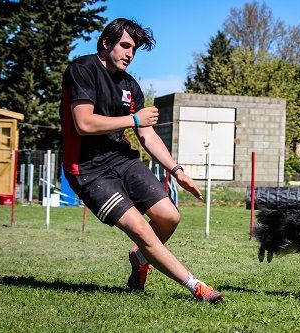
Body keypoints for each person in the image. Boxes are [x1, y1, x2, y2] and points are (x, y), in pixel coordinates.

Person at [59, 18, 222, 303]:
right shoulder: (82, 70)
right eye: (125, 46)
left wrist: (177, 170)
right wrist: (134, 119)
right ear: (106, 43)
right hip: (88, 169)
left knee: (170, 216)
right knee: (141, 228)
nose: (129, 54)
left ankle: (140, 258)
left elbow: (146, 136)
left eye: (133, 49)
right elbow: (83, 123)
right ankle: (196, 286)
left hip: (122, 159)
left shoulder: (131, 85)